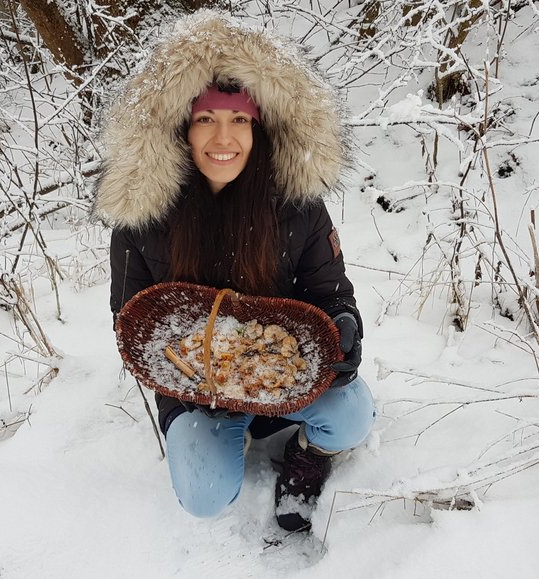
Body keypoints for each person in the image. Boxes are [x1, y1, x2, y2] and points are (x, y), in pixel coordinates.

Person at [94, 11, 374, 532]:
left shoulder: (296, 205)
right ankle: (228, 436)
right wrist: (196, 385)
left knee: (352, 416)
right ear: (180, 126)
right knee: (202, 496)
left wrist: (343, 325)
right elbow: (132, 318)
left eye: (239, 119)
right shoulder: (142, 215)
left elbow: (331, 293)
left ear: (259, 126)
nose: (223, 137)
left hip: (285, 375)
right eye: (206, 118)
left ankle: (306, 454)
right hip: (196, 391)